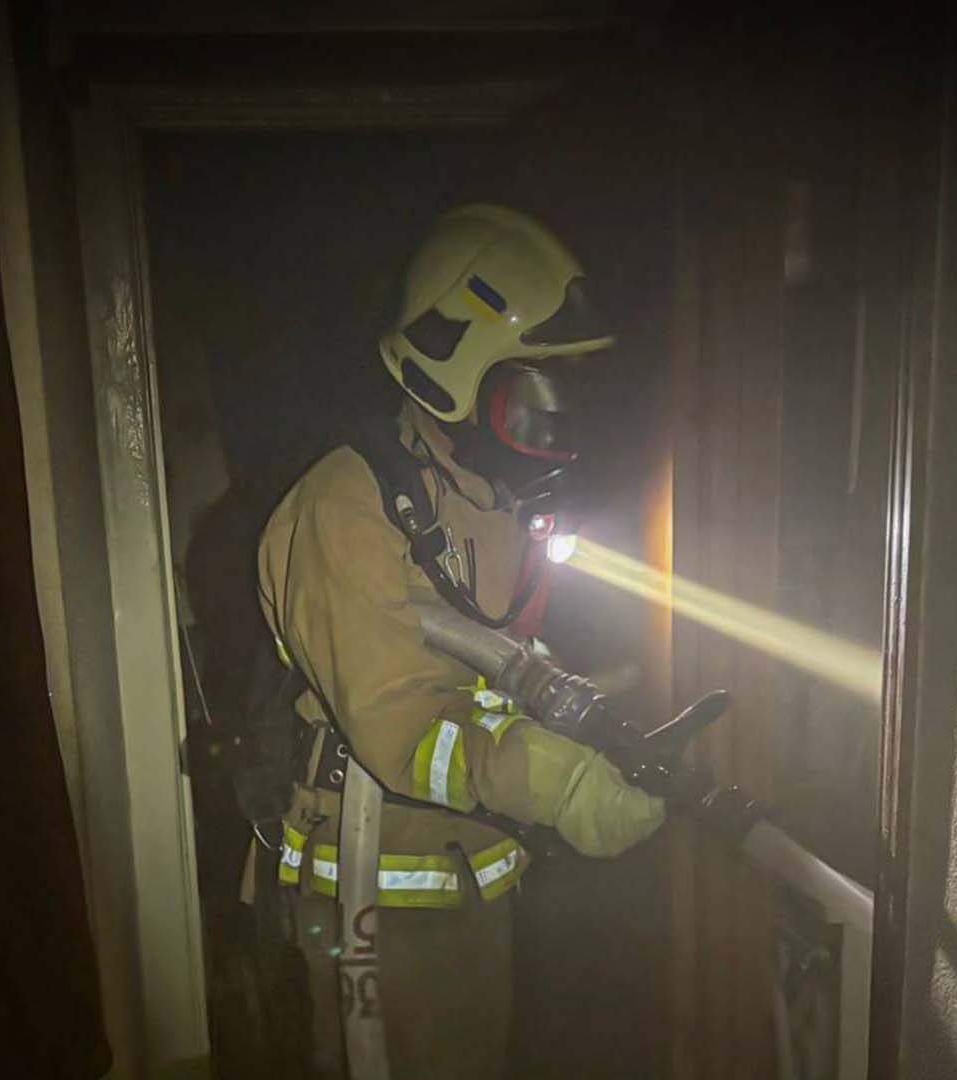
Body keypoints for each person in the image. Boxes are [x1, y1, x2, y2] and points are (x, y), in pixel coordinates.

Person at [255, 204, 667, 1078]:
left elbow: (498, 665)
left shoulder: (492, 502)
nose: (559, 428)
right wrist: (557, 782)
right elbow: (402, 725)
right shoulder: (348, 502)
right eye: (539, 397)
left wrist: (594, 725)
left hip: (469, 872)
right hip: (369, 890)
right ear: (456, 373)